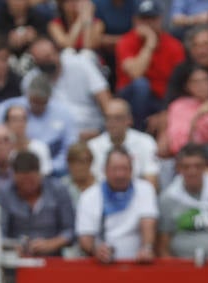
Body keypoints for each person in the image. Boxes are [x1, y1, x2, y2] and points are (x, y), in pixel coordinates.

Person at [76, 145, 158, 262]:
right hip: (102, 265)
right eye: (115, 169)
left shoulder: (145, 189)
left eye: (125, 169)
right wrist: (96, 250)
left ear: (132, 170)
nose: (120, 174)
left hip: (138, 263)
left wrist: (147, 248)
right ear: (104, 170)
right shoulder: (89, 196)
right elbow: (85, 237)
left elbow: (148, 223)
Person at [22, 35, 112, 139]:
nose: (47, 62)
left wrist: (107, 131)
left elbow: (105, 100)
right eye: (41, 60)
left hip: (93, 131)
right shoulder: (31, 81)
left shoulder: (81, 64)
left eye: (48, 56)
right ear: (36, 62)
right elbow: (33, 117)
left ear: (57, 52)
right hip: (54, 137)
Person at [115, 0, 185, 131]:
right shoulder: (126, 41)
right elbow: (136, 73)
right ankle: (137, 131)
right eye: (144, 19)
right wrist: (150, 44)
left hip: (161, 101)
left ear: (161, 19)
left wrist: (165, 113)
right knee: (141, 85)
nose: (148, 24)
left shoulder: (174, 45)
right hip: (130, 100)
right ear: (135, 20)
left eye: (152, 19)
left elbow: (179, 84)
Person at [0, 73, 76, 175]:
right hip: (10, 159)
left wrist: (50, 167)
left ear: (49, 98)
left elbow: (71, 148)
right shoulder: (10, 106)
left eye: (41, 102)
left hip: (52, 168)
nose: (37, 105)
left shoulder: (63, 113)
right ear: (28, 95)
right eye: (34, 101)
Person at [0, 149, 76, 256]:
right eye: (23, 182)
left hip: (53, 257)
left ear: (40, 174)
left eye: (31, 181)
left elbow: (70, 230)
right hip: (16, 258)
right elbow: (0, 232)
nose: (27, 186)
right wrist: (12, 246)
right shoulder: (4, 193)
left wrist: (52, 244)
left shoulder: (58, 190)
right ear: (14, 177)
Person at [88, 98, 160, 184]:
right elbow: (91, 184)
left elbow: (151, 182)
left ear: (129, 119)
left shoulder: (146, 142)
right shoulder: (92, 146)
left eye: (117, 118)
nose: (112, 123)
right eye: (108, 118)